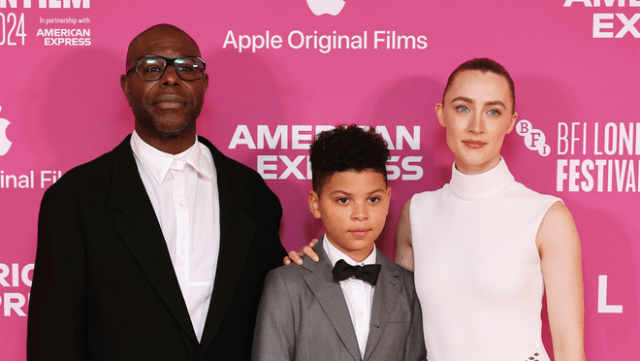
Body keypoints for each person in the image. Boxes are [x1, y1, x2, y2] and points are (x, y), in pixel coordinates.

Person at [287, 59, 585, 361]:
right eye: (463, 108)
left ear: (510, 122)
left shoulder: (546, 216)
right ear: (442, 114)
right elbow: (395, 317)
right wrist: (321, 258)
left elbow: (569, 349)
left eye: (493, 111)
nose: (477, 127)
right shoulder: (417, 212)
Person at [27, 24, 286, 361]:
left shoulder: (254, 195)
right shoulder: (74, 199)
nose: (170, 78)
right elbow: (54, 340)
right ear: (127, 86)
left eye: (187, 67)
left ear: (204, 84)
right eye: (151, 67)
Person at [253, 125, 426, 361]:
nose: (360, 214)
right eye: (343, 200)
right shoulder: (285, 285)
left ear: (387, 199)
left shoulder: (409, 287)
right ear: (315, 204)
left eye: (373, 199)